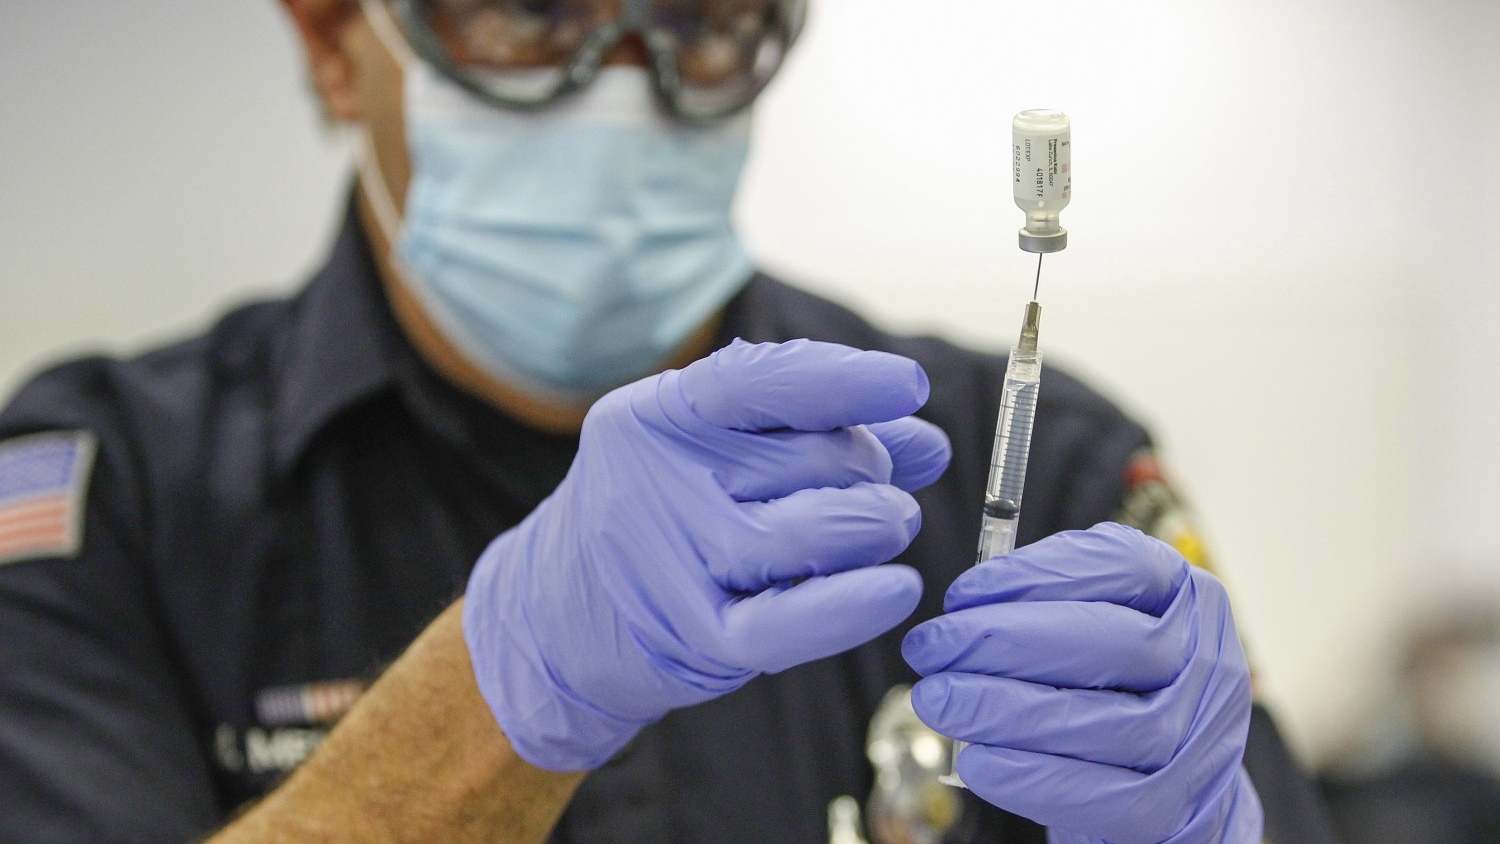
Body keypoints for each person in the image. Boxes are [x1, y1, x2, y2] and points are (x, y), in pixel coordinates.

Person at [0, 1, 1340, 842]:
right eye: (529, 14)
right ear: (331, 37)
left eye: (698, 24)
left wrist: (1213, 830)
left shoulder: (1033, 456)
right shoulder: (101, 497)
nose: (624, 84)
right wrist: (497, 692)